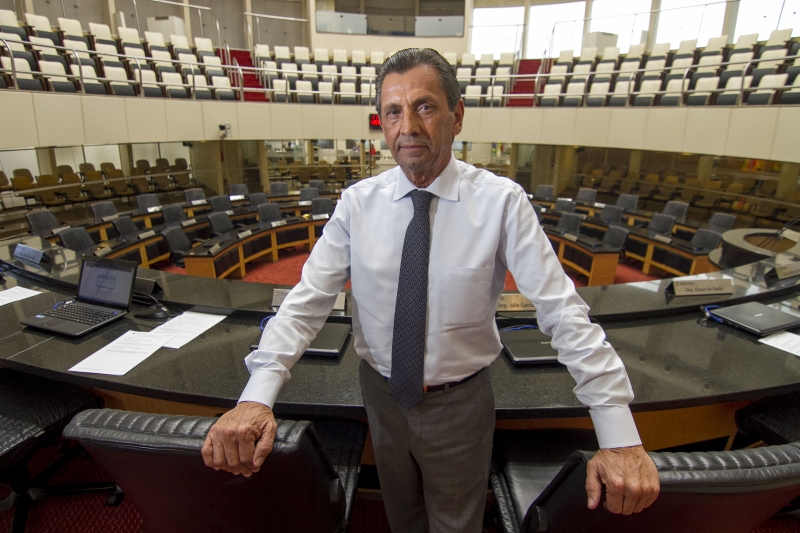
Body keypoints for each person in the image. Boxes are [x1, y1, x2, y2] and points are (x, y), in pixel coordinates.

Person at [202, 48, 660, 532]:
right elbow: (306, 301)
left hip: (460, 403)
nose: (408, 127)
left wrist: (618, 431)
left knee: (456, 524)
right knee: (401, 518)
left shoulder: (501, 202)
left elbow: (562, 311)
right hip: (380, 395)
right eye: (393, 112)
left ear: (456, 115)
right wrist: (257, 394)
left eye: (424, 107)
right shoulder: (358, 204)